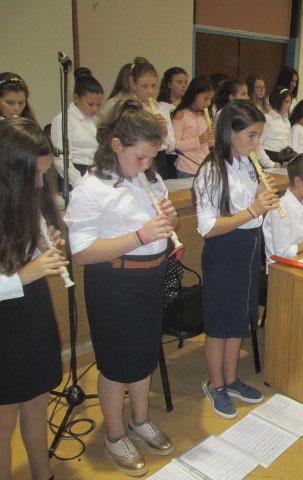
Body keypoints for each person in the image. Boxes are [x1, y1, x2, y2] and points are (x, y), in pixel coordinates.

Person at [65, 98, 177, 476]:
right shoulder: (90, 188)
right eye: (140, 157)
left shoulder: (145, 178)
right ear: (116, 145)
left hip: (150, 279)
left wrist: (168, 220)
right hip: (114, 283)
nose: (146, 165)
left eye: (151, 158)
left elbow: (160, 227)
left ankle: (139, 419)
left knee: (144, 356)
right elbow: (81, 252)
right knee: (115, 365)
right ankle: (114, 436)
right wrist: (140, 235)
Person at [194, 100, 279, 419]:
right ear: (230, 133)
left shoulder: (246, 164)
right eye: (252, 135)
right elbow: (208, 227)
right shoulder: (211, 171)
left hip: (247, 248)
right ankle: (215, 384)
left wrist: (260, 197)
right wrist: (253, 209)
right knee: (219, 326)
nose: (256, 143)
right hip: (223, 250)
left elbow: (251, 212)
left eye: (259, 136)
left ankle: (230, 380)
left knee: (238, 320)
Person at [0, 118, 66, 480]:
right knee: (4, 420)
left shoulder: (25, 197)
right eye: (35, 174)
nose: (41, 183)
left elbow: (25, 252)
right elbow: (18, 271)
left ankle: (44, 474)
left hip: (33, 310)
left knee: (37, 403)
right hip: (5, 322)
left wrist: (44, 244)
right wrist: (26, 274)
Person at [50, 69, 104, 188]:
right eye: (90, 104)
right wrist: (80, 182)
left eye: (98, 104)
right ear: (76, 98)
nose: (95, 109)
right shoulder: (64, 120)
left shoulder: (97, 119)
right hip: (74, 175)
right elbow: (60, 160)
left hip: (96, 171)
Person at [171, 76, 214, 178]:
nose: (209, 103)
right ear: (195, 95)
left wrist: (213, 139)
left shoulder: (206, 116)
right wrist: (200, 140)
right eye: (205, 98)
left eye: (211, 99)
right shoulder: (181, 114)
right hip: (186, 168)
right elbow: (175, 145)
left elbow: (207, 145)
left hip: (204, 166)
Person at [257, 86, 293, 168]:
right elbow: (258, 144)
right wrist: (270, 164)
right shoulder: (267, 119)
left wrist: (288, 160)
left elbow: (288, 144)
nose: (289, 105)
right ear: (278, 102)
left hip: (282, 161)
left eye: (290, 102)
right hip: (268, 159)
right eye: (286, 102)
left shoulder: (287, 122)